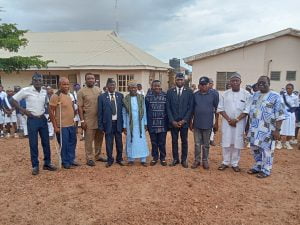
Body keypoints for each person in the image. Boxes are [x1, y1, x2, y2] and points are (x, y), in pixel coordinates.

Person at [11, 73, 57, 175]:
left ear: (42, 81)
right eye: (36, 80)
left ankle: (47, 163)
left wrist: (50, 115)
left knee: (46, 142)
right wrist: (22, 110)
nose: (38, 82)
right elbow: (13, 100)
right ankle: (35, 165)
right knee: (33, 143)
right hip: (32, 120)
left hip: (42, 119)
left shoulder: (44, 92)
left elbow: (47, 104)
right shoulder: (26, 90)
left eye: (40, 80)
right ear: (32, 81)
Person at [247, 76, 286, 178]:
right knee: (255, 148)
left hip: (268, 129)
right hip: (254, 129)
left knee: (267, 149)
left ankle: (266, 169)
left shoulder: (276, 96)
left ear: (269, 83)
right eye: (259, 83)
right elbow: (249, 112)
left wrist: (277, 130)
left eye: (264, 82)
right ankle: (258, 166)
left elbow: (280, 115)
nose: (261, 84)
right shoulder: (254, 95)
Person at [217, 73, 251, 172]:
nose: (235, 82)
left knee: (237, 142)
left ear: (240, 82)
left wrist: (236, 120)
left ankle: (235, 163)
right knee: (226, 141)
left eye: (237, 80)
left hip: (239, 123)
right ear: (230, 82)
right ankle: (225, 162)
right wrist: (229, 120)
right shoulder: (224, 94)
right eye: (233, 80)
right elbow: (220, 108)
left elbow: (247, 109)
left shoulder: (246, 94)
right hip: (227, 123)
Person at [49, 77, 79, 169]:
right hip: (62, 126)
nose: (66, 86)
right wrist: (55, 127)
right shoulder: (56, 96)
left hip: (71, 124)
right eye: (64, 84)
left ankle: (71, 159)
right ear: (59, 85)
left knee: (72, 142)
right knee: (64, 144)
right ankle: (65, 161)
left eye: (67, 84)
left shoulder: (69, 95)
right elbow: (51, 113)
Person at [190, 76, 219, 170]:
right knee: (197, 144)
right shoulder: (195, 95)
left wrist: (216, 123)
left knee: (206, 144)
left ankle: (205, 160)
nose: (203, 87)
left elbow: (217, 110)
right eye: (201, 85)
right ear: (199, 85)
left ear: (208, 85)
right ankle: (197, 160)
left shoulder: (213, 95)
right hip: (197, 124)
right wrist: (191, 122)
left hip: (208, 123)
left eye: (205, 85)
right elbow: (192, 110)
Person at [77, 73, 106, 167]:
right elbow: (80, 107)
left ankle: (97, 155)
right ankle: (89, 158)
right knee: (89, 140)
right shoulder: (81, 92)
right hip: (88, 119)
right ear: (85, 80)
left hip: (99, 119)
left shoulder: (98, 90)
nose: (90, 80)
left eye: (92, 78)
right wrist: (82, 121)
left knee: (99, 138)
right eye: (88, 78)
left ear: (95, 80)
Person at [166, 73, 193, 168]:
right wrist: (172, 121)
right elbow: (168, 107)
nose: (180, 81)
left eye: (181, 79)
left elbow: (190, 108)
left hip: (184, 123)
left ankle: (184, 159)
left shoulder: (189, 92)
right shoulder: (169, 92)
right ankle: (175, 159)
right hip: (173, 123)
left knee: (184, 141)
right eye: (178, 79)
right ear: (175, 80)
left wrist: (184, 120)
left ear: (184, 80)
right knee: (174, 141)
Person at [98, 78, 125, 167]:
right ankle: (110, 160)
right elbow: (100, 112)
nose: (112, 86)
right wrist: (101, 126)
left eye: (113, 85)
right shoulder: (101, 97)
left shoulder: (120, 96)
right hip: (108, 124)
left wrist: (124, 125)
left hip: (118, 124)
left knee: (119, 143)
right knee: (109, 144)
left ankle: (119, 159)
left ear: (115, 86)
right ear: (107, 86)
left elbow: (123, 111)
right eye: (110, 85)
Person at [123, 80, 149, 166]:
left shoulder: (141, 97)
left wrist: (145, 122)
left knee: (141, 141)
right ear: (128, 89)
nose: (133, 89)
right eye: (131, 88)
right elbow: (123, 113)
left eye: (134, 87)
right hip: (130, 123)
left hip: (140, 123)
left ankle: (143, 159)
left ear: (137, 88)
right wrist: (124, 126)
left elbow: (144, 110)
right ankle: (131, 159)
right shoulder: (125, 99)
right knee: (131, 140)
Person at [145, 80, 168, 166]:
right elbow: (146, 111)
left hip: (162, 124)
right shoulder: (148, 97)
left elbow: (167, 109)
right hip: (152, 124)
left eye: (158, 86)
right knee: (154, 142)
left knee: (162, 142)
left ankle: (162, 158)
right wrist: (147, 124)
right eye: (155, 86)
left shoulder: (165, 96)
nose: (157, 87)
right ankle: (155, 157)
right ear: (152, 87)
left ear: (160, 86)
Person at [276, 83, 299, 150]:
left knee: (290, 129)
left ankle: (287, 142)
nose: (288, 89)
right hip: (283, 114)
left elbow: (296, 106)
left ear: (292, 89)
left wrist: (292, 110)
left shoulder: (295, 97)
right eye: (287, 88)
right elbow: (279, 104)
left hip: (291, 114)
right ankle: (279, 142)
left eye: (289, 88)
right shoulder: (282, 96)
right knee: (282, 128)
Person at [208, 78, 219, 146]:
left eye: (211, 83)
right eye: (209, 83)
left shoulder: (215, 92)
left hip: (212, 112)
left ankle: (211, 139)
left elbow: (217, 105)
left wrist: (217, 117)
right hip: (203, 114)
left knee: (212, 126)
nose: (210, 85)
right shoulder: (202, 91)